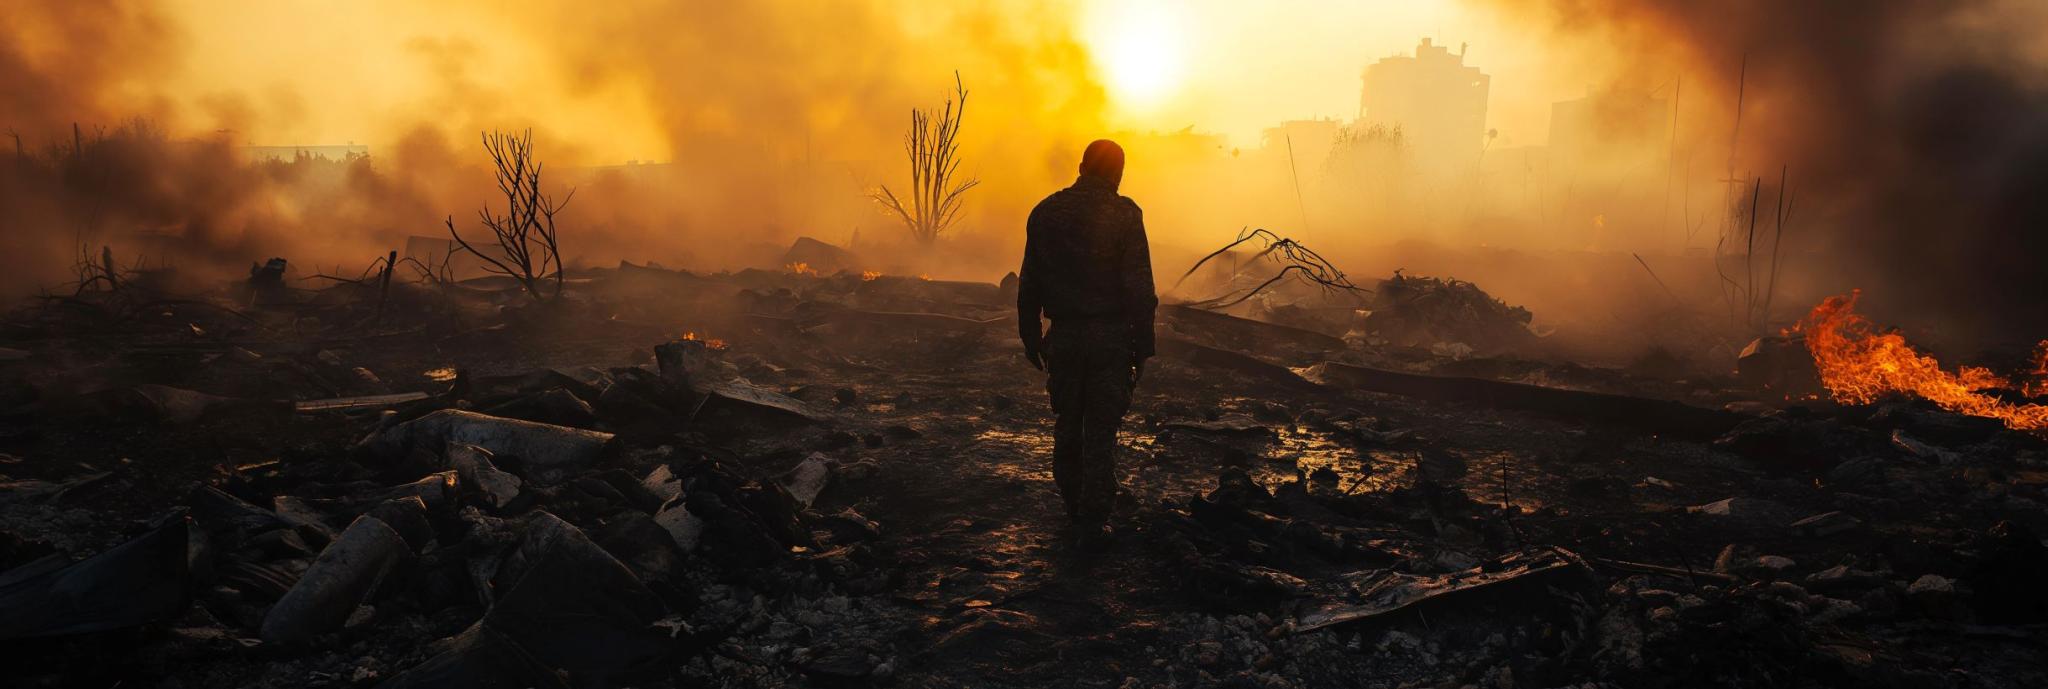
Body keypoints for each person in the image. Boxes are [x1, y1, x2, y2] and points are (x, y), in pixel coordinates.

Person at [1016, 139, 1157, 542]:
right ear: (1117, 173)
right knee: (1100, 429)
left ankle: (1072, 503)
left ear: (1081, 167)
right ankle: (1093, 519)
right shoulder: (1125, 214)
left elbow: (1030, 282)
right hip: (1110, 340)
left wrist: (1030, 335)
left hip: (1064, 338)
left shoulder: (1045, 213)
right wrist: (1143, 347)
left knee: (1067, 422)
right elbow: (1140, 289)